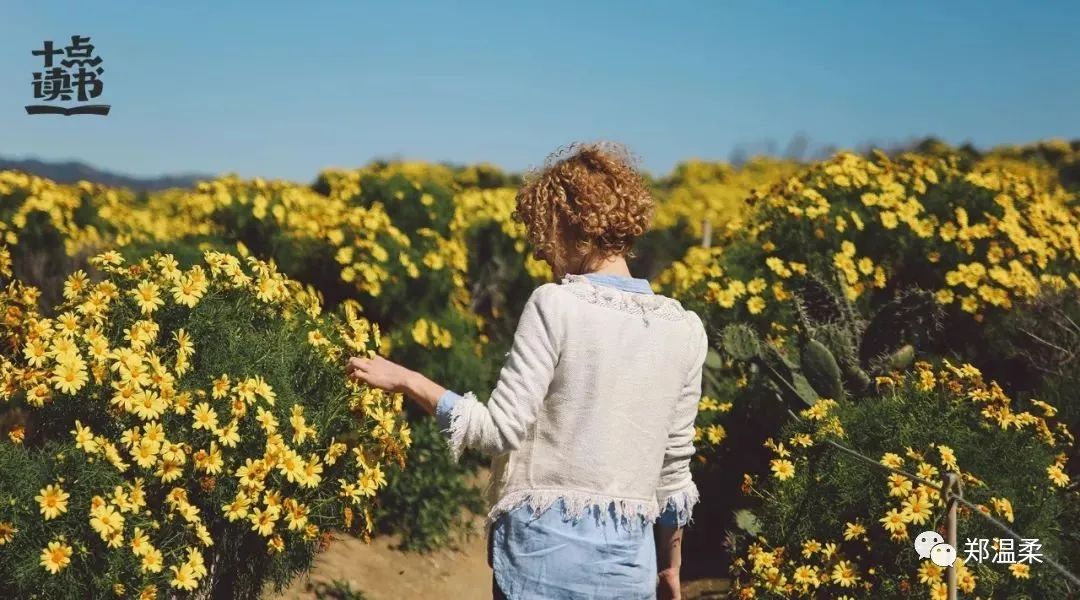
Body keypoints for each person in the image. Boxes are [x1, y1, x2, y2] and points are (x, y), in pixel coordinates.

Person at [346, 142, 706, 600]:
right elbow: (673, 475)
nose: (540, 253)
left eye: (543, 234)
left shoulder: (556, 304)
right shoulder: (685, 327)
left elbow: (498, 432)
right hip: (630, 567)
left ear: (570, 223)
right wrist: (669, 568)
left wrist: (407, 379)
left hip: (541, 559)